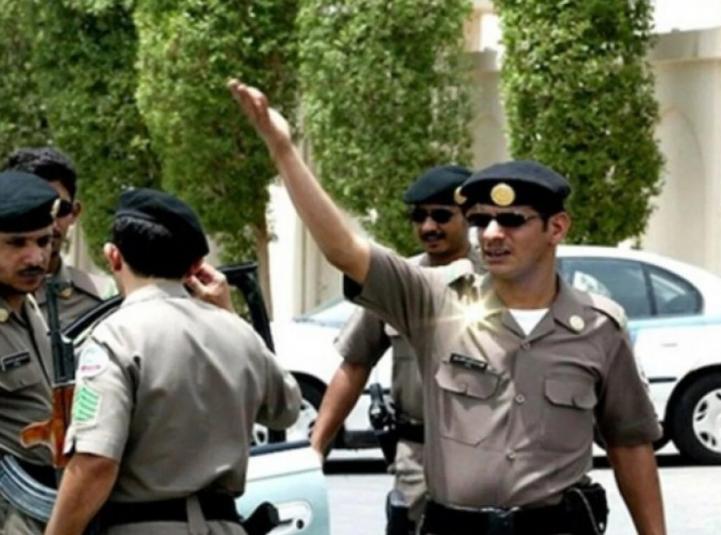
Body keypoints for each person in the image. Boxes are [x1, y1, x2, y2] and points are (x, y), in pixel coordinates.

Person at [230, 79, 666, 535]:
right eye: (481, 221)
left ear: (556, 228)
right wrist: (283, 150)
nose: (492, 234)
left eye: (512, 221)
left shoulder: (598, 327)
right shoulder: (435, 299)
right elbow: (344, 249)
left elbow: (629, 443)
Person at [44, 188, 302, 535]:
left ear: (113, 257)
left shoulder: (114, 338)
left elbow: (95, 462)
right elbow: (286, 408)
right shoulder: (237, 333)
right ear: (195, 266)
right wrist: (230, 318)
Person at [310, 164, 479, 534]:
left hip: (486, 451)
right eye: (419, 216)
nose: (428, 227)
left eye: (441, 216)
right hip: (417, 454)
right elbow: (355, 364)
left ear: (470, 216)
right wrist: (317, 447)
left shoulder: (499, 278)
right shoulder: (396, 282)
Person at [0, 170, 61, 534]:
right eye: (17, 243)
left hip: (43, 505)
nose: (36, 257)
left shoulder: (29, 308)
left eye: (43, 241)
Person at [5, 147, 115, 327]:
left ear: (75, 212)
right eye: (34, 211)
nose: (49, 224)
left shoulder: (103, 298)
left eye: (60, 209)